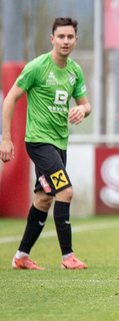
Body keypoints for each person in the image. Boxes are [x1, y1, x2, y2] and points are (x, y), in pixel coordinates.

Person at [0, 17, 92, 270]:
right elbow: (10, 99)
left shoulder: (74, 70)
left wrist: (82, 111)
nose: (65, 41)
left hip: (59, 143)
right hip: (39, 143)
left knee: (43, 199)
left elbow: (85, 104)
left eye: (69, 37)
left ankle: (20, 257)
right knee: (65, 191)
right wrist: (5, 139)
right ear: (52, 39)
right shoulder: (37, 67)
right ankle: (67, 257)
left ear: (75, 40)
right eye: (60, 36)